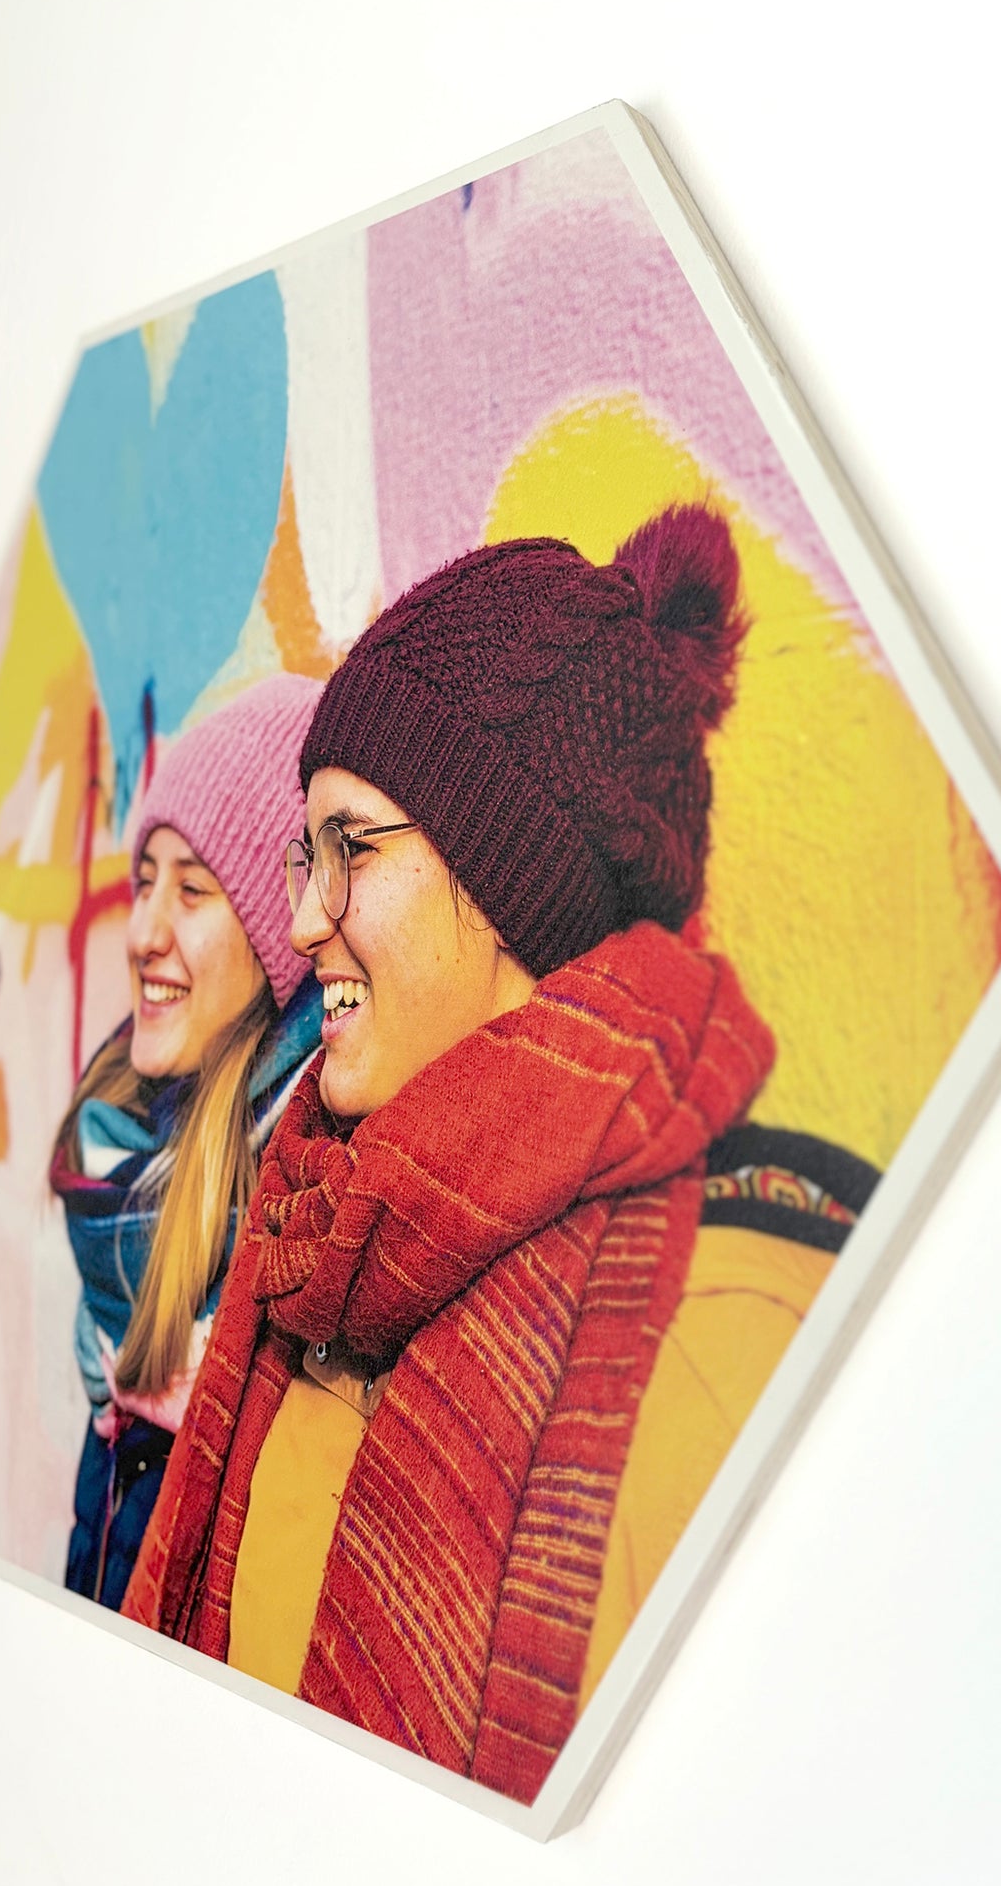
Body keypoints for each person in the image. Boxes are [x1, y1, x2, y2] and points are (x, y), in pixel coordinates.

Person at [123, 507, 879, 1803]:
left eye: (351, 848)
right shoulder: (311, 1238)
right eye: (305, 857)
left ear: (514, 875)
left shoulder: (737, 1322)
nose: (301, 922)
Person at [50, 673, 324, 1609]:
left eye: (194, 890)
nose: (142, 932)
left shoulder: (289, 1243)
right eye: (144, 883)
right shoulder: (120, 1165)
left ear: (279, 934)